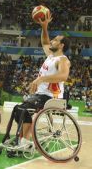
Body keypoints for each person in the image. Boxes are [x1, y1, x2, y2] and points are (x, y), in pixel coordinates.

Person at [9, 11, 71, 147]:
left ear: (61, 45)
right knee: (18, 109)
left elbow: (63, 76)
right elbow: (44, 41)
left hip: (51, 97)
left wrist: (41, 79)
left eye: (55, 40)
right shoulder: (51, 56)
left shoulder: (62, 60)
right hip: (41, 95)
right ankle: (23, 138)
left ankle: (25, 141)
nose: (52, 41)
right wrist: (44, 27)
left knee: (24, 110)